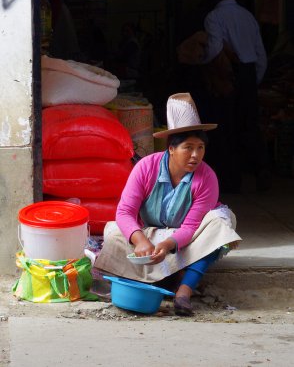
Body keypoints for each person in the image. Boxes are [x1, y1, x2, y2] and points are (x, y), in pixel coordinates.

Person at [95, 92, 242, 316]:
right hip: (151, 233)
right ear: (171, 149)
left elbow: (191, 227)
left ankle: (184, 291)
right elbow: (125, 212)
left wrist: (167, 245)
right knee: (113, 231)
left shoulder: (207, 177)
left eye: (200, 147)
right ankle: (168, 278)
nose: (195, 155)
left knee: (221, 223)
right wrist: (140, 239)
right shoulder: (146, 167)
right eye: (188, 147)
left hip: (186, 237)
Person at [201, 0, 271, 193]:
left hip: (230, 74)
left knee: (227, 126)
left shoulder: (214, 16)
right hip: (249, 73)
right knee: (250, 124)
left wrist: (202, 62)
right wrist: (253, 80)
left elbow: (214, 48)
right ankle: (260, 168)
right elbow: (260, 53)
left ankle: (232, 180)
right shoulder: (248, 16)